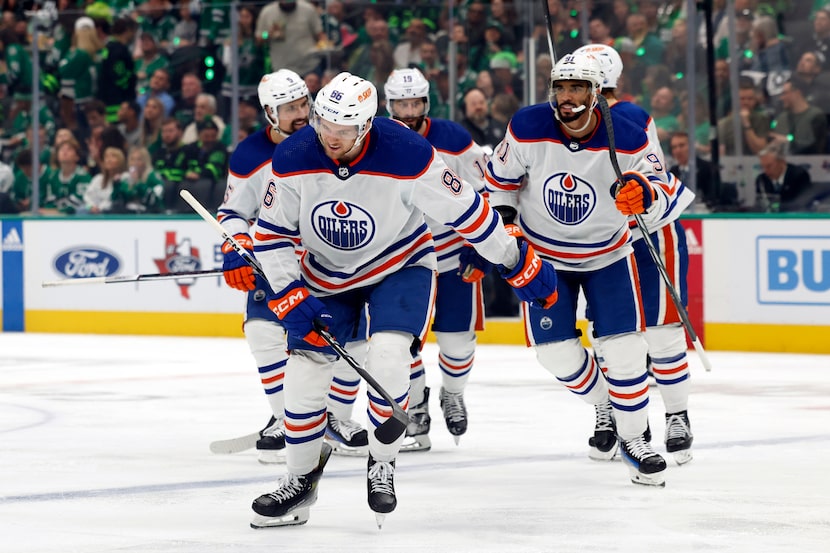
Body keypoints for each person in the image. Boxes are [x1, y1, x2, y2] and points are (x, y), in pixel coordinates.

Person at [249, 71, 557, 528]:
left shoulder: (409, 155)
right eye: (323, 125)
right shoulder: (293, 156)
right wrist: (288, 292)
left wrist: (512, 259)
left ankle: (382, 462)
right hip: (327, 274)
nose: (330, 138)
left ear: (367, 125)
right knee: (304, 377)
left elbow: (470, 214)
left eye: (343, 129)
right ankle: (299, 483)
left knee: (391, 357)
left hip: (400, 265)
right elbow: (271, 234)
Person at [485, 52, 670, 487]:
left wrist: (643, 192)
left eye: (577, 88)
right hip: (544, 258)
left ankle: (634, 440)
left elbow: (661, 184)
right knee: (554, 352)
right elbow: (500, 180)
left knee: (624, 349)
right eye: (561, 87)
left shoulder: (626, 133)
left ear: (595, 92)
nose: (567, 97)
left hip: (608, 255)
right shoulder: (527, 126)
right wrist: (507, 224)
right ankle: (606, 405)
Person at [217, 69, 371, 461]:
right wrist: (237, 245)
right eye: (289, 108)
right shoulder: (251, 154)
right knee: (261, 331)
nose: (300, 113)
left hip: (331, 258)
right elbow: (234, 211)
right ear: (269, 111)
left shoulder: (326, 143)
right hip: (277, 260)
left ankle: (335, 418)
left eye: (304, 103)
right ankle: (287, 419)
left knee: (348, 339)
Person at [574, 44, 696, 466]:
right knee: (612, 335)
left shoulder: (630, 117)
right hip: (605, 240)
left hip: (649, 231)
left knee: (661, 331)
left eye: (586, 88)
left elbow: (652, 179)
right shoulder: (561, 125)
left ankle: (677, 415)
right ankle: (618, 416)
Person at [383, 68, 490, 451]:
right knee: (401, 343)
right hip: (403, 259)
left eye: (415, 103)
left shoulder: (453, 139)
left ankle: (452, 393)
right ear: (388, 104)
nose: (409, 111)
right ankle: (416, 410)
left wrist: (478, 245)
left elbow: (487, 188)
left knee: (457, 341)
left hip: (452, 255)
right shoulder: (379, 140)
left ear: (426, 102)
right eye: (401, 104)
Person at [755, 142, 813, 212]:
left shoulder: (799, 175)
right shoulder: (761, 179)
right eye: (763, 167)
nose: (766, 171)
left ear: (782, 162)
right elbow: (761, 206)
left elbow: (803, 204)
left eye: (769, 166)